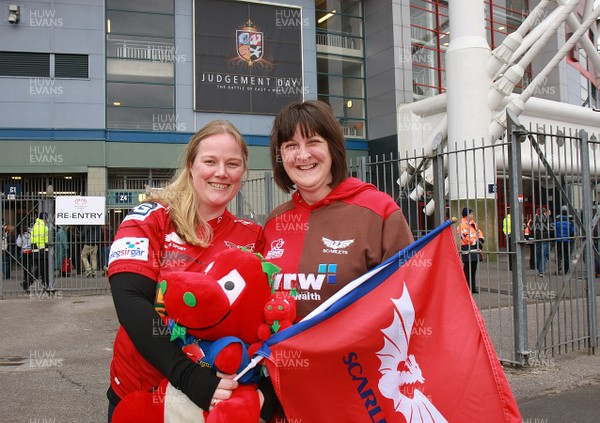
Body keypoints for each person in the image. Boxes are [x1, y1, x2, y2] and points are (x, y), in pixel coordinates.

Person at [106, 120, 267, 422]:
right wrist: (189, 376)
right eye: (210, 161)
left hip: (213, 402)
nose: (221, 172)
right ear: (191, 165)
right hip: (141, 394)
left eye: (233, 164)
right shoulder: (151, 217)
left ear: (242, 174)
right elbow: (130, 301)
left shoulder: (253, 236)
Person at [262, 99, 414, 320]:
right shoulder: (275, 221)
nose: (302, 155)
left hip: (356, 354)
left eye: (313, 141)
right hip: (283, 354)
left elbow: (409, 295)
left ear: (332, 148)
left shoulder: (379, 211)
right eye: (291, 146)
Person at [457, 207, 485, 293]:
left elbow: (479, 233)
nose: (472, 215)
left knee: (473, 269)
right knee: (467, 269)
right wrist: (474, 242)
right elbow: (463, 237)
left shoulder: (474, 224)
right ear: (466, 215)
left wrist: (480, 240)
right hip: (467, 247)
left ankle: (472, 287)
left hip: (475, 248)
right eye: (470, 214)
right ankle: (466, 287)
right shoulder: (461, 226)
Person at [31, 212, 49, 290]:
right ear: (45, 218)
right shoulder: (42, 226)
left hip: (36, 249)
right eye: (47, 218)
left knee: (41, 268)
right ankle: (28, 282)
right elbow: (41, 239)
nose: (48, 219)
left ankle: (46, 284)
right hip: (41, 250)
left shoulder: (36, 225)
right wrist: (44, 249)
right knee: (43, 268)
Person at [555, 205, 575, 275]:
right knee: (567, 255)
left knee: (558, 254)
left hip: (559, 240)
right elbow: (573, 231)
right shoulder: (570, 219)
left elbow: (554, 229)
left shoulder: (557, 219)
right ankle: (566, 269)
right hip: (567, 240)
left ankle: (558, 266)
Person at [533, 207, 552, 277]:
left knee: (538, 254)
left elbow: (532, 228)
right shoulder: (548, 219)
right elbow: (551, 228)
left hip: (537, 238)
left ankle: (539, 267)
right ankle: (541, 270)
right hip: (545, 238)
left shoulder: (535, 219)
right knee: (543, 254)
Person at [17, 224, 35, 292]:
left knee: (25, 267)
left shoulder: (21, 236)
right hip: (31, 251)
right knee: (30, 266)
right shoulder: (31, 234)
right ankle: (28, 278)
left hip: (24, 252)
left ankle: (26, 278)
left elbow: (19, 244)